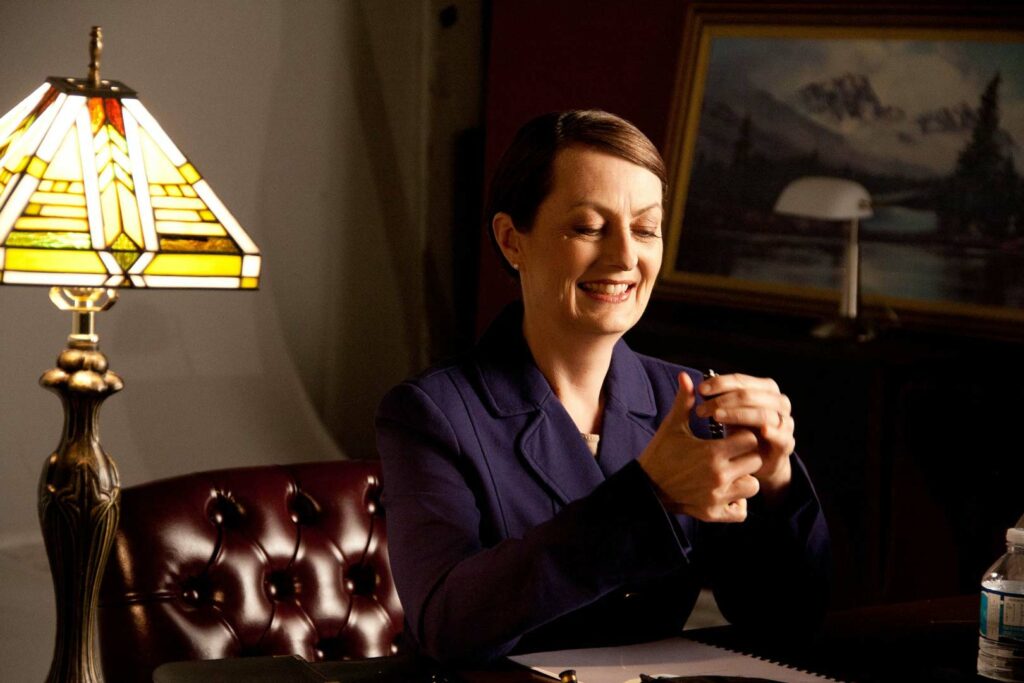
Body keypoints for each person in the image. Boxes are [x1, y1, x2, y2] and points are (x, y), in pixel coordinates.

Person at [375, 110, 829, 664]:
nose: (624, 258)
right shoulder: (432, 413)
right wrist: (649, 494)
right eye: (589, 227)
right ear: (511, 240)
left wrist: (777, 483)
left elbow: (784, 615)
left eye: (644, 229)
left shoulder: (687, 399)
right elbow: (448, 625)